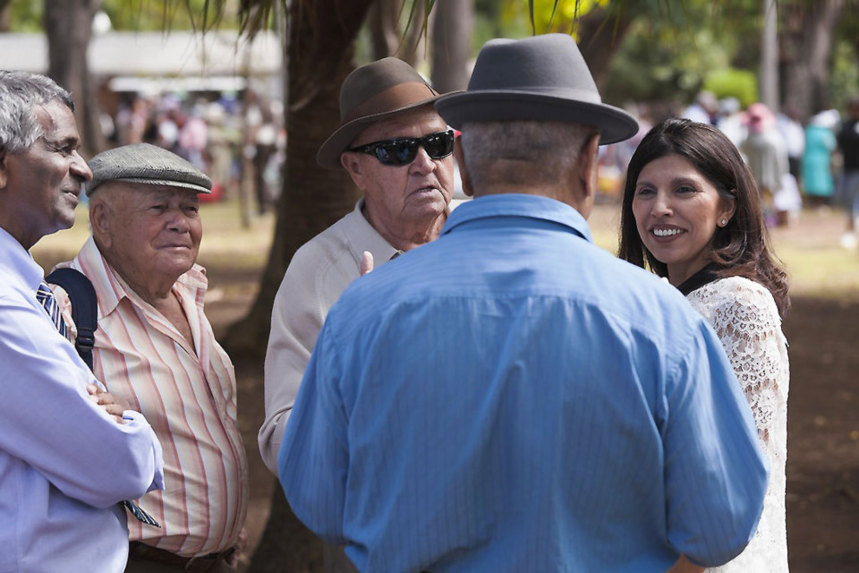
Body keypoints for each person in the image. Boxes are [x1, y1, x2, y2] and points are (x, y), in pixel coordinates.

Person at [278, 34, 768, 572]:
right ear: (589, 163)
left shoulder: (360, 311)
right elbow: (722, 525)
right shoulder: (661, 317)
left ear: (460, 158)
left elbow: (319, 500)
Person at [260, 56, 455, 573]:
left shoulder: (490, 235)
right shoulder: (318, 271)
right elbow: (283, 442)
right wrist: (358, 368)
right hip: (381, 548)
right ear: (355, 168)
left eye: (437, 143)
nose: (424, 163)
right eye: (396, 150)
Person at [51, 143, 248, 571]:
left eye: (190, 208)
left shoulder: (187, 292)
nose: (180, 223)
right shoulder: (65, 308)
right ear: (102, 220)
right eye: (159, 207)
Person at [0, 71, 164, 571]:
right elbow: (118, 463)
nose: (84, 169)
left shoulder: (24, 288)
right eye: (63, 148)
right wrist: (136, 431)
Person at [618, 118, 790, 573]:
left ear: (726, 208)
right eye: (646, 191)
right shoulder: (659, 301)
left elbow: (741, 476)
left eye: (684, 190)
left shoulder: (739, 302)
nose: (661, 208)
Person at [740, 102, 789, 225]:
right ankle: (767, 218)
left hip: (760, 174)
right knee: (765, 196)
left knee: (764, 196)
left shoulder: (753, 138)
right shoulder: (772, 137)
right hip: (764, 174)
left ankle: (767, 217)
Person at [802, 109, 838, 209]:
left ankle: (812, 203)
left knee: (811, 182)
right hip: (822, 160)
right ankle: (819, 204)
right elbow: (831, 146)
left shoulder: (809, 130)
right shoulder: (825, 132)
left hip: (809, 159)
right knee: (820, 182)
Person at [836, 96, 859, 249]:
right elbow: (840, 143)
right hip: (850, 169)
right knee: (849, 202)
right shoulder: (845, 126)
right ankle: (850, 229)